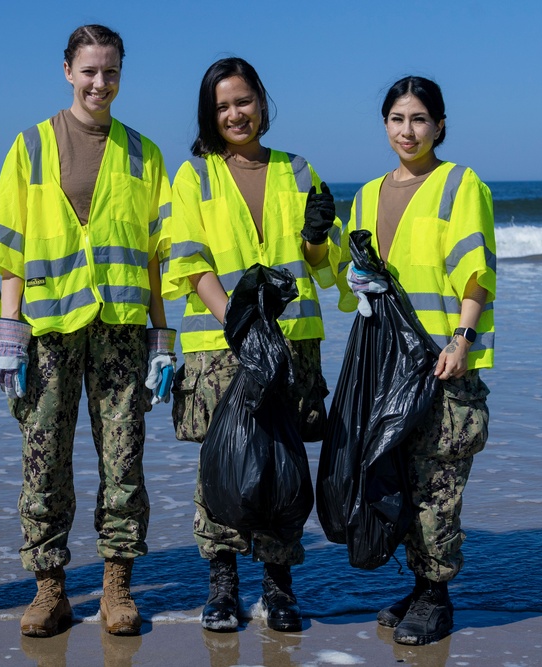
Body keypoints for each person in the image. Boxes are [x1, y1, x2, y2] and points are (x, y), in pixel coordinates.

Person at [0, 25, 172, 638]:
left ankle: (117, 589)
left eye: (110, 72)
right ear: (67, 71)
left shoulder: (144, 153)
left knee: (123, 461)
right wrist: (8, 333)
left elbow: (157, 254)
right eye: (89, 71)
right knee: (44, 462)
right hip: (48, 330)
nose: (99, 83)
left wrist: (162, 338)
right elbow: (8, 244)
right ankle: (50, 589)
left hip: (119, 327)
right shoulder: (30, 146)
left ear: (121, 75)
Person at [162, 57, 338, 633]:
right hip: (222, 345)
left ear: (261, 100)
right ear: (209, 116)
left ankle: (279, 586)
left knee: (282, 465)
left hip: (291, 342)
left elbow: (320, 265)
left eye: (243, 101)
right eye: (222, 106)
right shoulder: (193, 176)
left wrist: (317, 238)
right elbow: (189, 261)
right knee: (225, 465)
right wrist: (242, 325)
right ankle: (222, 585)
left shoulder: (298, 168)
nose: (235, 114)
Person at [336, 75, 496, 645]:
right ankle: (419, 585)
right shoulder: (368, 193)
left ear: (440, 125)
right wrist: (346, 271)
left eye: (420, 119)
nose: (409, 131)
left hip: (441, 360)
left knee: (438, 482)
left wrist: (463, 339)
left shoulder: (460, 184)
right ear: (385, 125)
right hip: (386, 362)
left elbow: (477, 272)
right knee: (399, 477)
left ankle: (436, 597)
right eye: (398, 120)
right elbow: (348, 274)